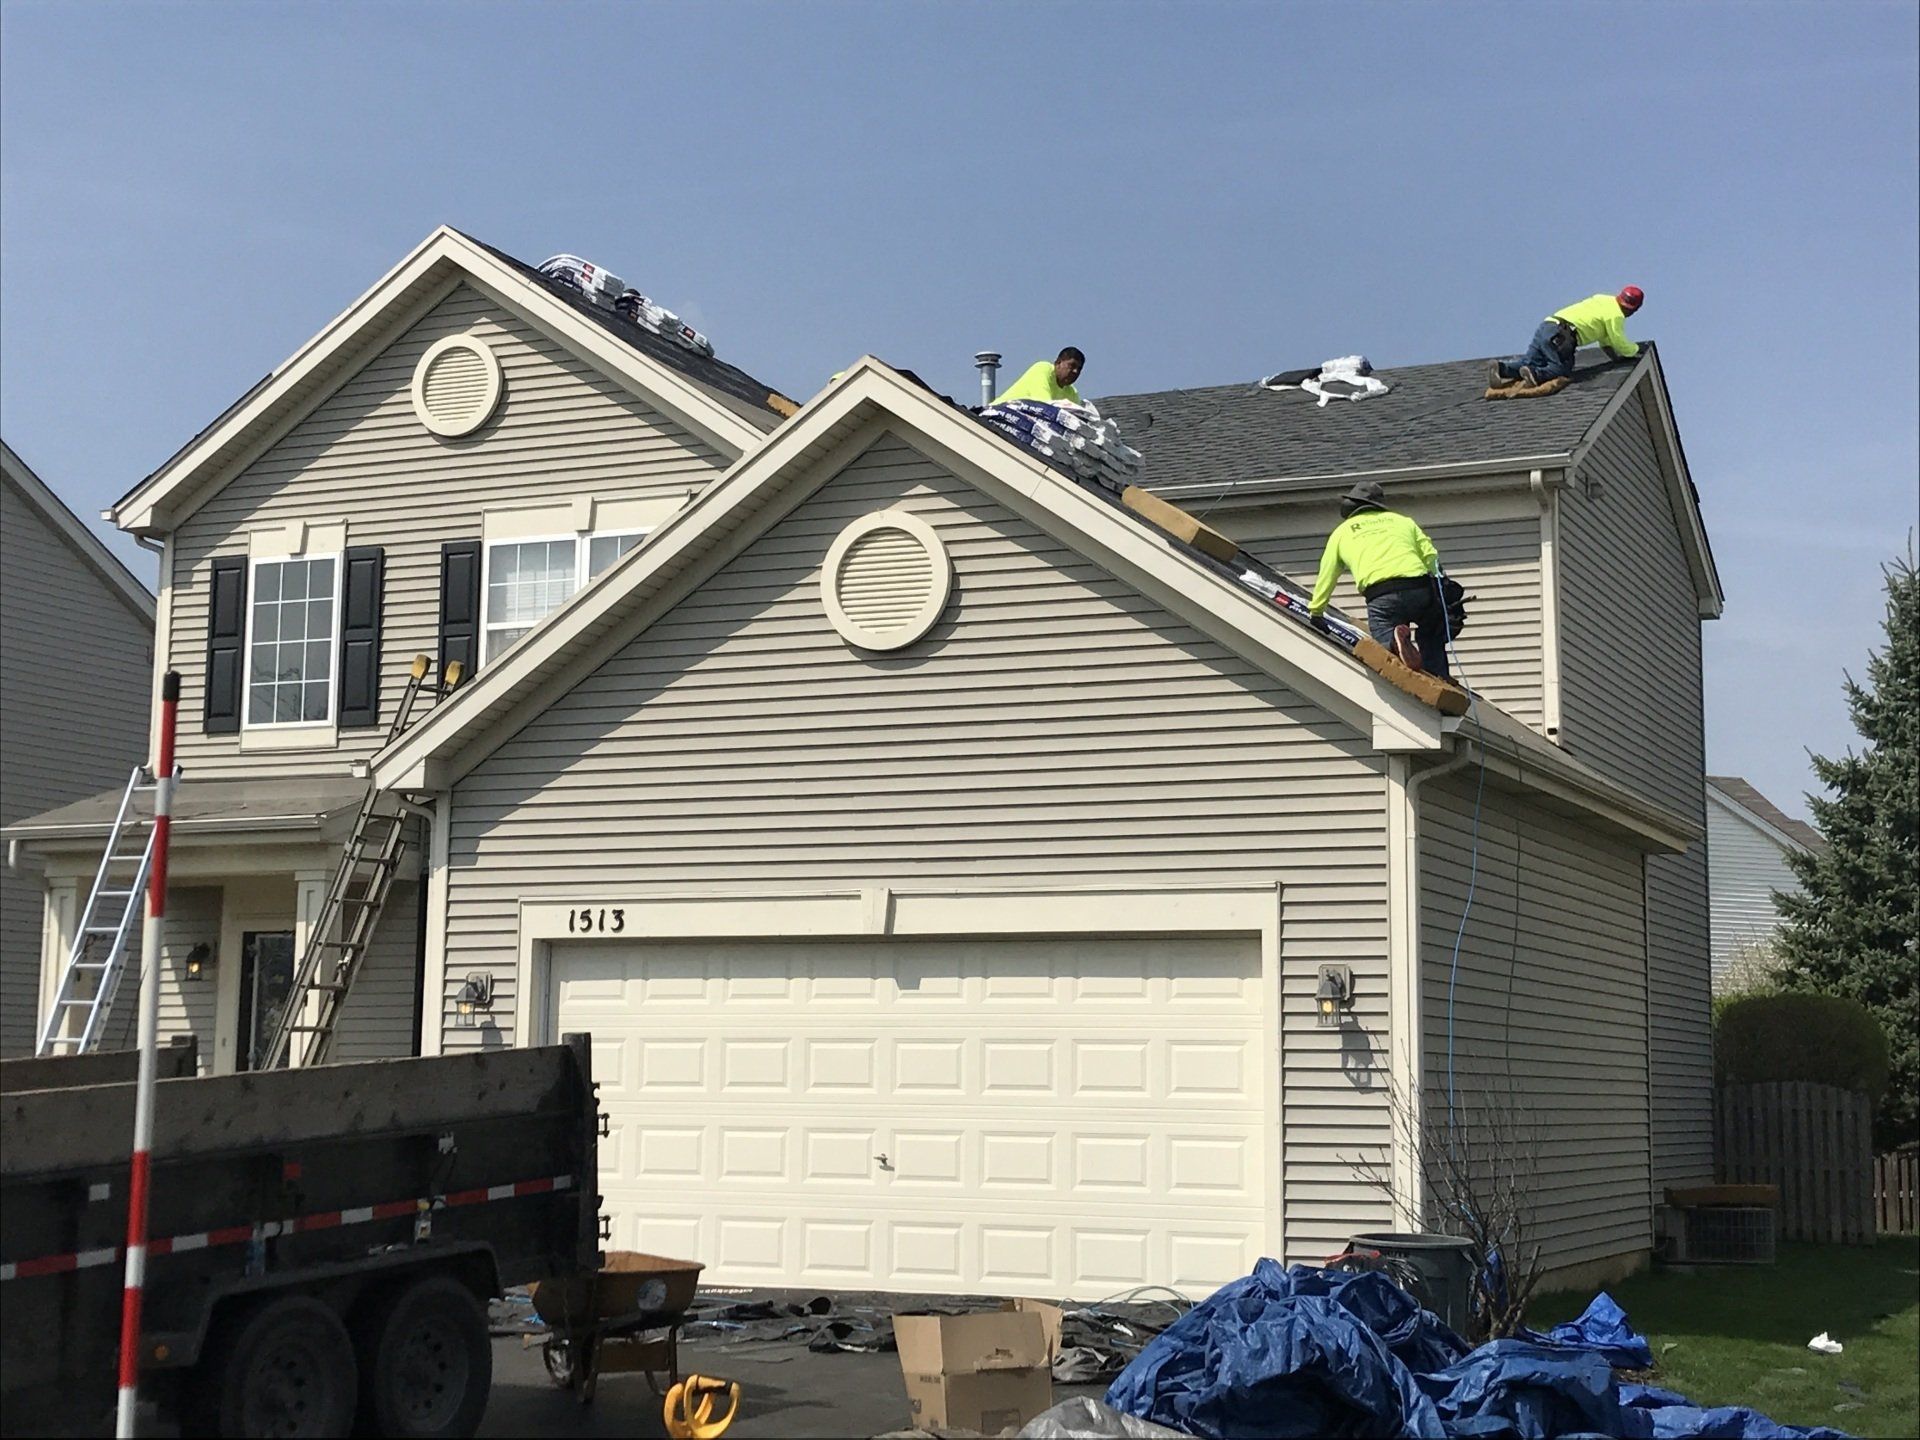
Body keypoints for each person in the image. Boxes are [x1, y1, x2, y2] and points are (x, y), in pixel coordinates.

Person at [1309, 481, 1453, 680]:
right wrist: (1441, 586)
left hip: (1382, 594)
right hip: (1418, 587)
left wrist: (1317, 611)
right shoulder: (1403, 521)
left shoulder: (1341, 532)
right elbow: (1430, 555)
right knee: (1431, 631)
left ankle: (1393, 643)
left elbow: (1328, 573)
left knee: (1384, 640)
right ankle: (1439, 675)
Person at [1491, 287, 1643, 387]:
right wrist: (1636, 350)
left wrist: (1616, 359)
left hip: (1548, 325)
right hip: (1563, 334)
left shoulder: (1602, 300)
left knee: (1531, 361)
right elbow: (1618, 340)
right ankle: (1535, 374)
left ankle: (1502, 369)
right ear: (1634, 309)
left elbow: (1607, 340)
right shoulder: (1615, 315)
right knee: (1561, 369)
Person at [994, 347, 1085, 405]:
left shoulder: (1072, 392)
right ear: (1058, 363)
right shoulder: (1043, 369)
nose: (1075, 371)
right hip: (995, 415)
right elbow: (1044, 405)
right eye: (1072, 366)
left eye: (1079, 369)